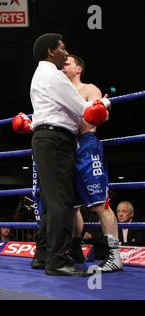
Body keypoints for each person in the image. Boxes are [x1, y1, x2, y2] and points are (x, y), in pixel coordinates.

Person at [14, 33, 110, 276]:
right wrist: (105, 104)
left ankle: (43, 255)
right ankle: (58, 261)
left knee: (50, 202)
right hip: (56, 140)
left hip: (45, 139)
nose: (66, 54)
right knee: (62, 203)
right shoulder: (54, 76)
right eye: (63, 49)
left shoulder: (39, 75)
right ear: (50, 51)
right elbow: (83, 111)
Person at [62, 55, 123, 272]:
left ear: (78, 68)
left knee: (100, 203)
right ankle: (75, 250)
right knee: (72, 206)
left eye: (66, 63)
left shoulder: (89, 88)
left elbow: (103, 115)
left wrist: (97, 107)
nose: (62, 66)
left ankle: (114, 256)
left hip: (87, 147)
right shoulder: (61, 92)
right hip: (67, 148)